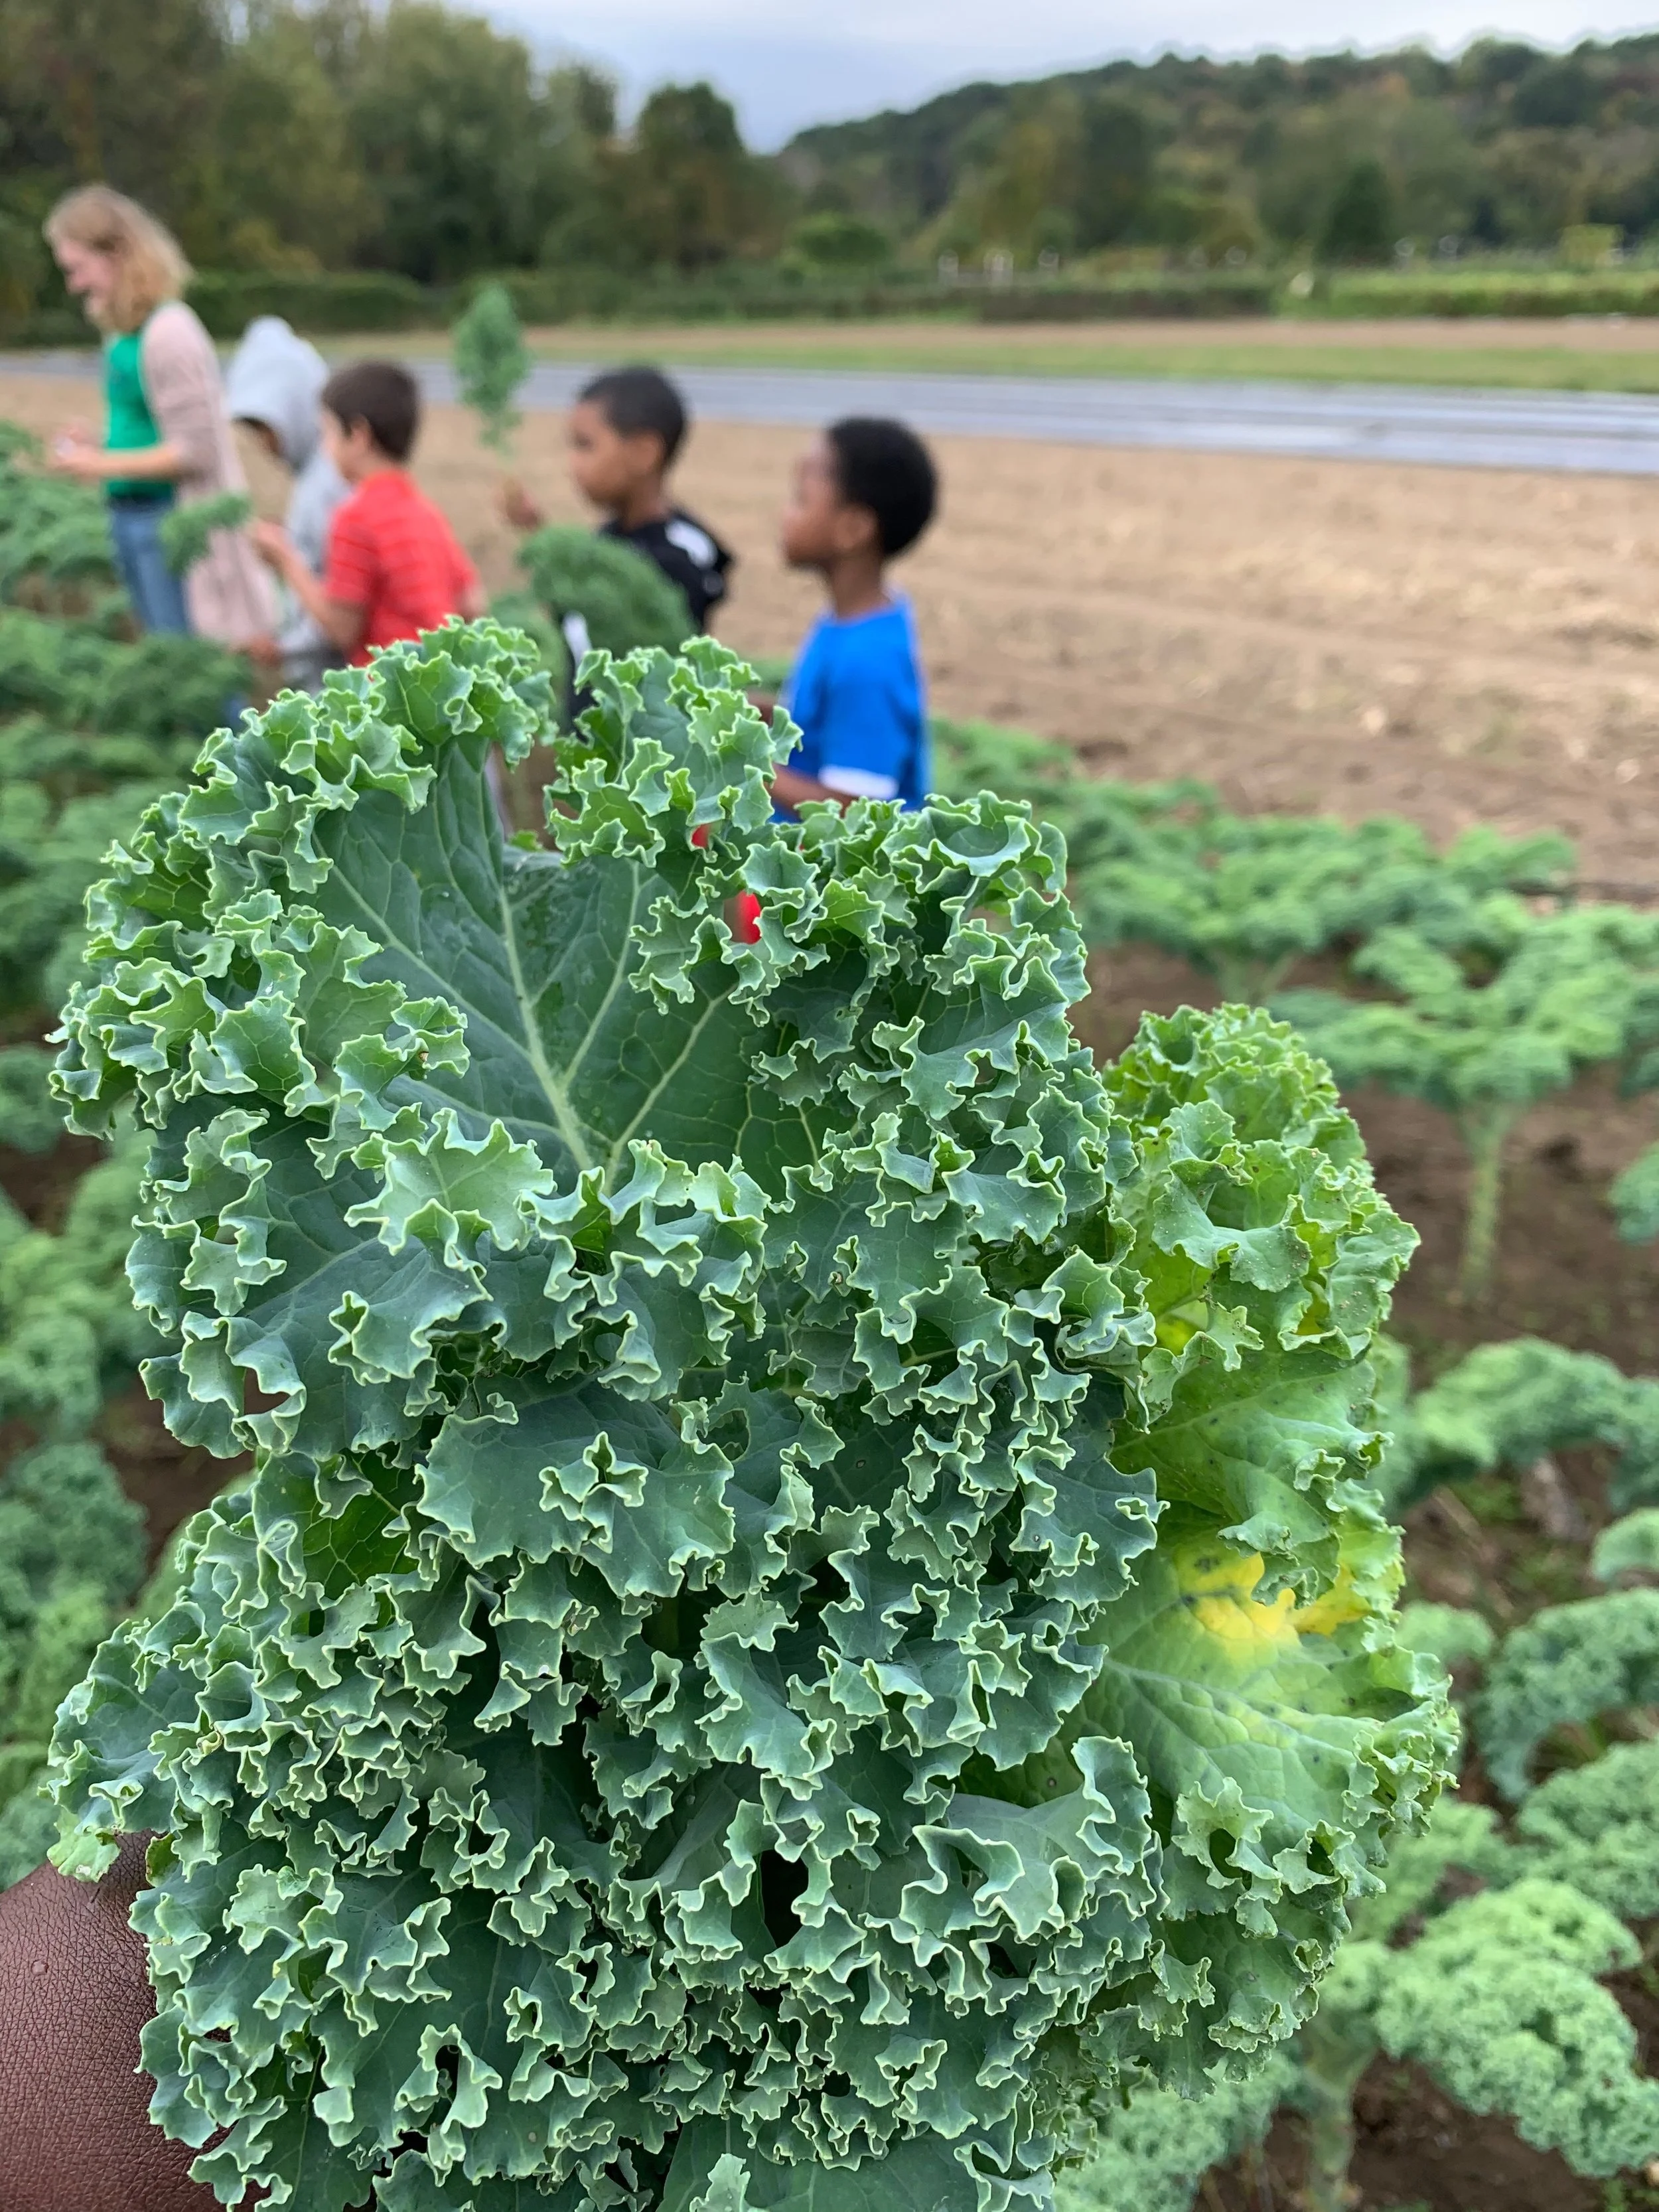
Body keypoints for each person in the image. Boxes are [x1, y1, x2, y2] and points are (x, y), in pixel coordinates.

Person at [42, 185, 275, 654]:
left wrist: (100, 465)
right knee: (164, 661)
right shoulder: (122, 332)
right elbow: (148, 427)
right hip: (129, 514)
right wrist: (101, 443)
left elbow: (195, 451)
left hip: (169, 521)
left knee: (189, 665)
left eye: (77, 269)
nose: (73, 285)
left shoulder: (170, 332)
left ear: (117, 254)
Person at [252, 360, 484, 665]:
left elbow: (342, 629)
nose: (326, 448)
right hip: (435, 687)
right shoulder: (424, 511)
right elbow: (473, 602)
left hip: (388, 695)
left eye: (329, 433)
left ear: (359, 436)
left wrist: (285, 560)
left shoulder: (354, 517)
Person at [772, 416, 938, 815]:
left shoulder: (868, 660)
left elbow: (855, 810)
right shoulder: (847, 620)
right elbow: (812, 727)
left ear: (853, 529)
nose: (783, 514)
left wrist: (747, 767)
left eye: (800, 499)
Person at [503, 366, 732, 630]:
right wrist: (536, 532)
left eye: (585, 445)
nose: (572, 464)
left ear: (644, 453)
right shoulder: (609, 537)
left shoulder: (682, 557)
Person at [225, 316, 348, 692]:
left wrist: (284, 647)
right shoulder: (317, 477)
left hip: (334, 679)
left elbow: (341, 602)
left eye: (267, 430)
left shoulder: (326, 486)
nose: (264, 446)